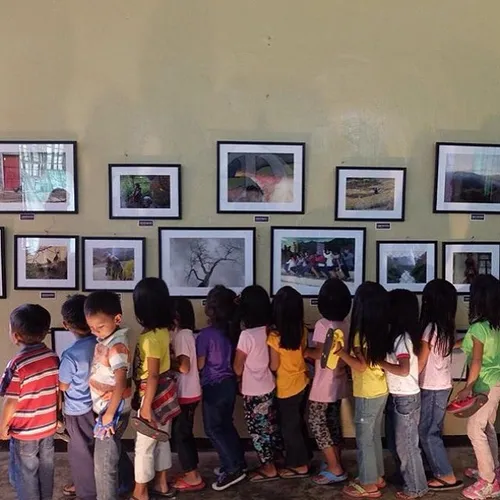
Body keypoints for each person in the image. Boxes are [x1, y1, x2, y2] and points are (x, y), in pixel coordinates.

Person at [335, 282, 389, 499]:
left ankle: (368, 484)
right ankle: (376, 476)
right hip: (381, 389)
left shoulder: (360, 333)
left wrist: (340, 352)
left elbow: (361, 365)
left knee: (364, 438)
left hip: (367, 392)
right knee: (373, 435)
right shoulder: (382, 330)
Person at [0, 304, 59, 500]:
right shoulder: (53, 357)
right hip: (48, 427)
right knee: (46, 468)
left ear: (15, 335)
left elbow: (11, 401)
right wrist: (57, 416)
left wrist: (3, 426)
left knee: (25, 473)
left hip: (25, 432)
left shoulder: (17, 364)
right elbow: (57, 391)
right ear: (44, 332)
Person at [130, 278, 178, 500]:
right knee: (161, 438)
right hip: (167, 393)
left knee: (144, 445)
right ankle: (162, 484)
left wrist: (146, 406)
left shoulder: (149, 339)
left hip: (152, 394)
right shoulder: (164, 331)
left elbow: (153, 374)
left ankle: (140, 492)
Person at [85, 291, 134, 500]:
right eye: (91, 327)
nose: (95, 331)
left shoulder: (116, 346)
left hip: (112, 411)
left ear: (117, 319)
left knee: (103, 465)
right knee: (112, 450)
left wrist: (109, 414)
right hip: (106, 408)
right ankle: (127, 481)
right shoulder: (108, 339)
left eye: (100, 326)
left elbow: (120, 381)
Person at [196, 285, 246, 491]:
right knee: (226, 424)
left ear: (210, 309)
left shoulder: (206, 335)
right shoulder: (234, 331)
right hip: (230, 384)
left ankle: (233, 468)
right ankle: (235, 462)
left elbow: (200, 364)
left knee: (213, 428)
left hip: (213, 386)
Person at [381, 290, 427, 499]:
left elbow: (403, 369)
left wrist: (378, 362)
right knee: (398, 443)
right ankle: (406, 478)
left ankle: (416, 487)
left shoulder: (402, 339)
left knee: (407, 445)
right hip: (400, 396)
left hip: (405, 398)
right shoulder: (404, 337)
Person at [305, 278, 352, 485]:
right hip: (338, 382)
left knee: (318, 425)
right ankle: (335, 461)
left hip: (322, 386)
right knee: (333, 424)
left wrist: (303, 351)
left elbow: (320, 354)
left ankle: (335, 468)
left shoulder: (323, 325)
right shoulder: (346, 324)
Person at [458, 275, 500, 499]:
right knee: (487, 427)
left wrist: (469, 386)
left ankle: (488, 482)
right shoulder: (495, 325)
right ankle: (492, 469)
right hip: (498, 382)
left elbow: (476, 360)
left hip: (484, 383)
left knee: (474, 429)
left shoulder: (478, 327)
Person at [233, 285, 280, 482]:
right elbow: (275, 364)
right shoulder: (271, 331)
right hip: (269, 387)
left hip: (252, 392)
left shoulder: (246, 336)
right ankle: (275, 461)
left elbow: (237, 367)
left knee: (257, 432)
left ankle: (268, 468)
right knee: (270, 427)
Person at [418, 279, 461, 490]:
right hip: (443, 386)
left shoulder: (429, 329)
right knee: (433, 430)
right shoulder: (445, 327)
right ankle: (436, 468)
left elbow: (420, 363)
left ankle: (446, 475)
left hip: (431, 388)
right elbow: (447, 348)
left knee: (427, 432)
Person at [267, 286, 311, 479]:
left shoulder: (274, 337)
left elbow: (274, 366)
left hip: (286, 388)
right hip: (302, 382)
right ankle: (304, 456)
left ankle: (299, 465)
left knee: (289, 428)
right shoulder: (301, 329)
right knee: (298, 424)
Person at [59, 295, 98, 500]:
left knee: (80, 453)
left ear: (66, 325)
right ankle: (118, 482)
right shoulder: (101, 343)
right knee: (100, 447)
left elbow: (64, 385)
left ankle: (88, 492)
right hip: (99, 406)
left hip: (77, 410)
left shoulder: (71, 354)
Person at [171, 298, 204, 491]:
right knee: (185, 434)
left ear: (175, 316)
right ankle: (192, 471)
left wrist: (167, 361)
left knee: (181, 435)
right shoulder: (185, 333)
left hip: (185, 392)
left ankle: (192, 477)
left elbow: (184, 367)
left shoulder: (182, 335)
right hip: (190, 391)